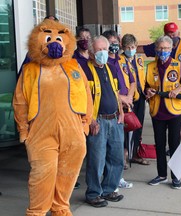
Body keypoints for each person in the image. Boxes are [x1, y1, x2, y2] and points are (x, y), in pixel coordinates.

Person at [13, 19, 93, 216]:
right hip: (41, 132)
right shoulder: (30, 69)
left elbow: (86, 95)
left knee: (68, 172)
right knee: (42, 174)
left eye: (59, 38)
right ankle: (37, 211)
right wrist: (23, 129)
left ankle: (60, 207)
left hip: (73, 131)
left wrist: (85, 125)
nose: (54, 43)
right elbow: (20, 101)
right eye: (49, 38)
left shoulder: (74, 66)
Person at [145, 35, 181, 189]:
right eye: (160, 48)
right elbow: (146, 86)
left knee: (174, 145)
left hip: (174, 112)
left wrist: (180, 88)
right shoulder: (151, 66)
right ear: (156, 49)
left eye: (166, 48)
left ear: (171, 49)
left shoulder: (178, 65)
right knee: (159, 144)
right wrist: (148, 91)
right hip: (157, 110)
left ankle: (176, 176)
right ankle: (162, 174)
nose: (163, 51)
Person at [138, 22, 181, 136]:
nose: (172, 35)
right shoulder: (159, 46)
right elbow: (141, 49)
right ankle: (173, 148)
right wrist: (128, 46)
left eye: (173, 33)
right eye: (168, 33)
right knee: (166, 129)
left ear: (178, 32)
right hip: (163, 95)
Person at [85, 35, 125, 208]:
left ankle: (109, 189)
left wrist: (121, 113)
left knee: (116, 158)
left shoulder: (111, 68)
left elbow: (116, 93)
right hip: (98, 121)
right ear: (92, 52)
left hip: (115, 119)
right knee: (97, 159)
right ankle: (93, 193)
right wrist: (90, 120)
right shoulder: (85, 70)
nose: (102, 53)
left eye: (105, 49)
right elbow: (83, 98)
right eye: (98, 50)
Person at [102, 29, 134, 189]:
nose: (115, 46)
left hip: (122, 110)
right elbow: (108, 90)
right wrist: (122, 99)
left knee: (118, 148)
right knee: (107, 151)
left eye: (116, 43)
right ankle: (108, 182)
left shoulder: (121, 61)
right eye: (111, 43)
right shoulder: (103, 63)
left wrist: (128, 99)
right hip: (109, 111)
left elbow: (132, 81)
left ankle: (117, 178)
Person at [119, 34, 149, 166]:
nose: (131, 49)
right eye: (127, 47)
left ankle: (135, 153)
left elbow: (143, 77)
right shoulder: (119, 61)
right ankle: (124, 154)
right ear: (123, 47)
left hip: (140, 97)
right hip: (127, 98)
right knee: (127, 126)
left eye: (133, 47)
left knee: (138, 126)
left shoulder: (139, 59)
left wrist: (147, 89)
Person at [72, 27, 93, 190]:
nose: (85, 40)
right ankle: (73, 176)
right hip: (79, 106)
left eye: (87, 37)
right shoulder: (72, 59)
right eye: (81, 37)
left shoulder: (94, 57)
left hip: (96, 103)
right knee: (77, 145)